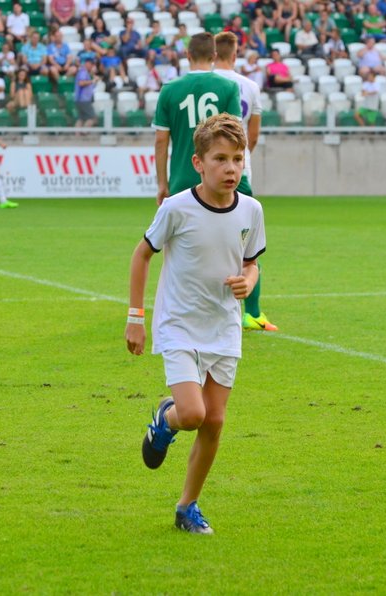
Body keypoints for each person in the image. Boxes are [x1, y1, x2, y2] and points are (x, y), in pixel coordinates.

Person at [127, 113, 266, 534]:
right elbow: (142, 255)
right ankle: (166, 418)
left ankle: (187, 506)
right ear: (198, 163)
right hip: (180, 325)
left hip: (224, 326)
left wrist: (248, 281)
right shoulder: (177, 208)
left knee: (215, 421)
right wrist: (136, 317)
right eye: (220, 159)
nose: (231, 168)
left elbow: (251, 261)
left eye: (237, 159)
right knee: (191, 414)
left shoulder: (252, 209)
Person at [214, 31, 278, 331]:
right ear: (235, 54)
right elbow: (252, 135)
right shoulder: (249, 86)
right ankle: (252, 312)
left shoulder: (195, 82)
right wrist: (238, 161)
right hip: (240, 173)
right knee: (246, 242)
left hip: (204, 168)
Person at [152, 32, 241, 205]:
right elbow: (236, 137)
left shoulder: (169, 90)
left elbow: (161, 141)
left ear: (187, 55)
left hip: (181, 182)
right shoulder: (229, 87)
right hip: (217, 180)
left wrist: (163, 184)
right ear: (214, 56)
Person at [73, 58, 97, 127]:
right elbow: (81, 83)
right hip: (84, 99)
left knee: (81, 118)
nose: (92, 66)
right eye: (91, 64)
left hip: (81, 99)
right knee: (92, 118)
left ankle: (77, 134)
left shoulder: (86, 73)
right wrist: (92, 81)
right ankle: (84, 132)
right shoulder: (83, 72)